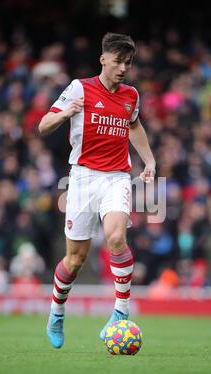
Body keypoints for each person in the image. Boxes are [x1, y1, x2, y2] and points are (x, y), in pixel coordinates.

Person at [39, 32, 156, 349]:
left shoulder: (131, 95)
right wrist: (64, 113)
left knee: (116, 238)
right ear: (103, 59)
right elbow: (43, 125)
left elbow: (134, 126)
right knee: (74, 260)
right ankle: (57, 312)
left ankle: (120, 312)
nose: (122, 68)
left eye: (127, 63)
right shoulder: (80, 88)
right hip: (82, 178)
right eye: (118, 61)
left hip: (117, 177)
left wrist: (149, 160)